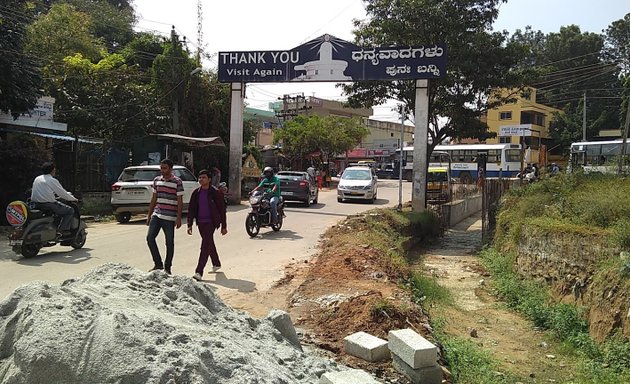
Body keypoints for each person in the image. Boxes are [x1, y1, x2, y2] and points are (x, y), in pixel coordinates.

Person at [187, 169, 228, 281]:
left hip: (211, 222)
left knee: (205, 245)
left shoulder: (216, 192)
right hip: (200, 222)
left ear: (209, 179)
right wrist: (189, 224)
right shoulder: (196, 193)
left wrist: (224, 226)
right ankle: (216, 262)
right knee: (209, 242)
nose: (201, 180)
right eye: (200, 178)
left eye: (204, 178)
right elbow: (191, 209)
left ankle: (199, 271)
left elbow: (222, 209)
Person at [146, 159, 184, 275]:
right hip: (157, 214)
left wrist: (178, 217)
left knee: (169, 243)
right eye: (161, 168)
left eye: (165, 168)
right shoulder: (157, 180)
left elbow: (179, 201)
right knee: (150, 238)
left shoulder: (177, 182)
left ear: (170, 169)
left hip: (170, 216)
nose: (162, 170)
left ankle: (167, 268)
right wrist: (149, 215)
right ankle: (158, 264)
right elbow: (154, 198)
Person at [30, 162, 79, 236]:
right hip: (48, 205)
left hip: (35, 204)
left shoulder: (38, 178)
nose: (55, 170)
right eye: (54, 169)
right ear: (52, 170)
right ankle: (62, 230)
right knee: (70, 210)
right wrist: (74, 199)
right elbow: (62, 193)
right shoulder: (52, 180)